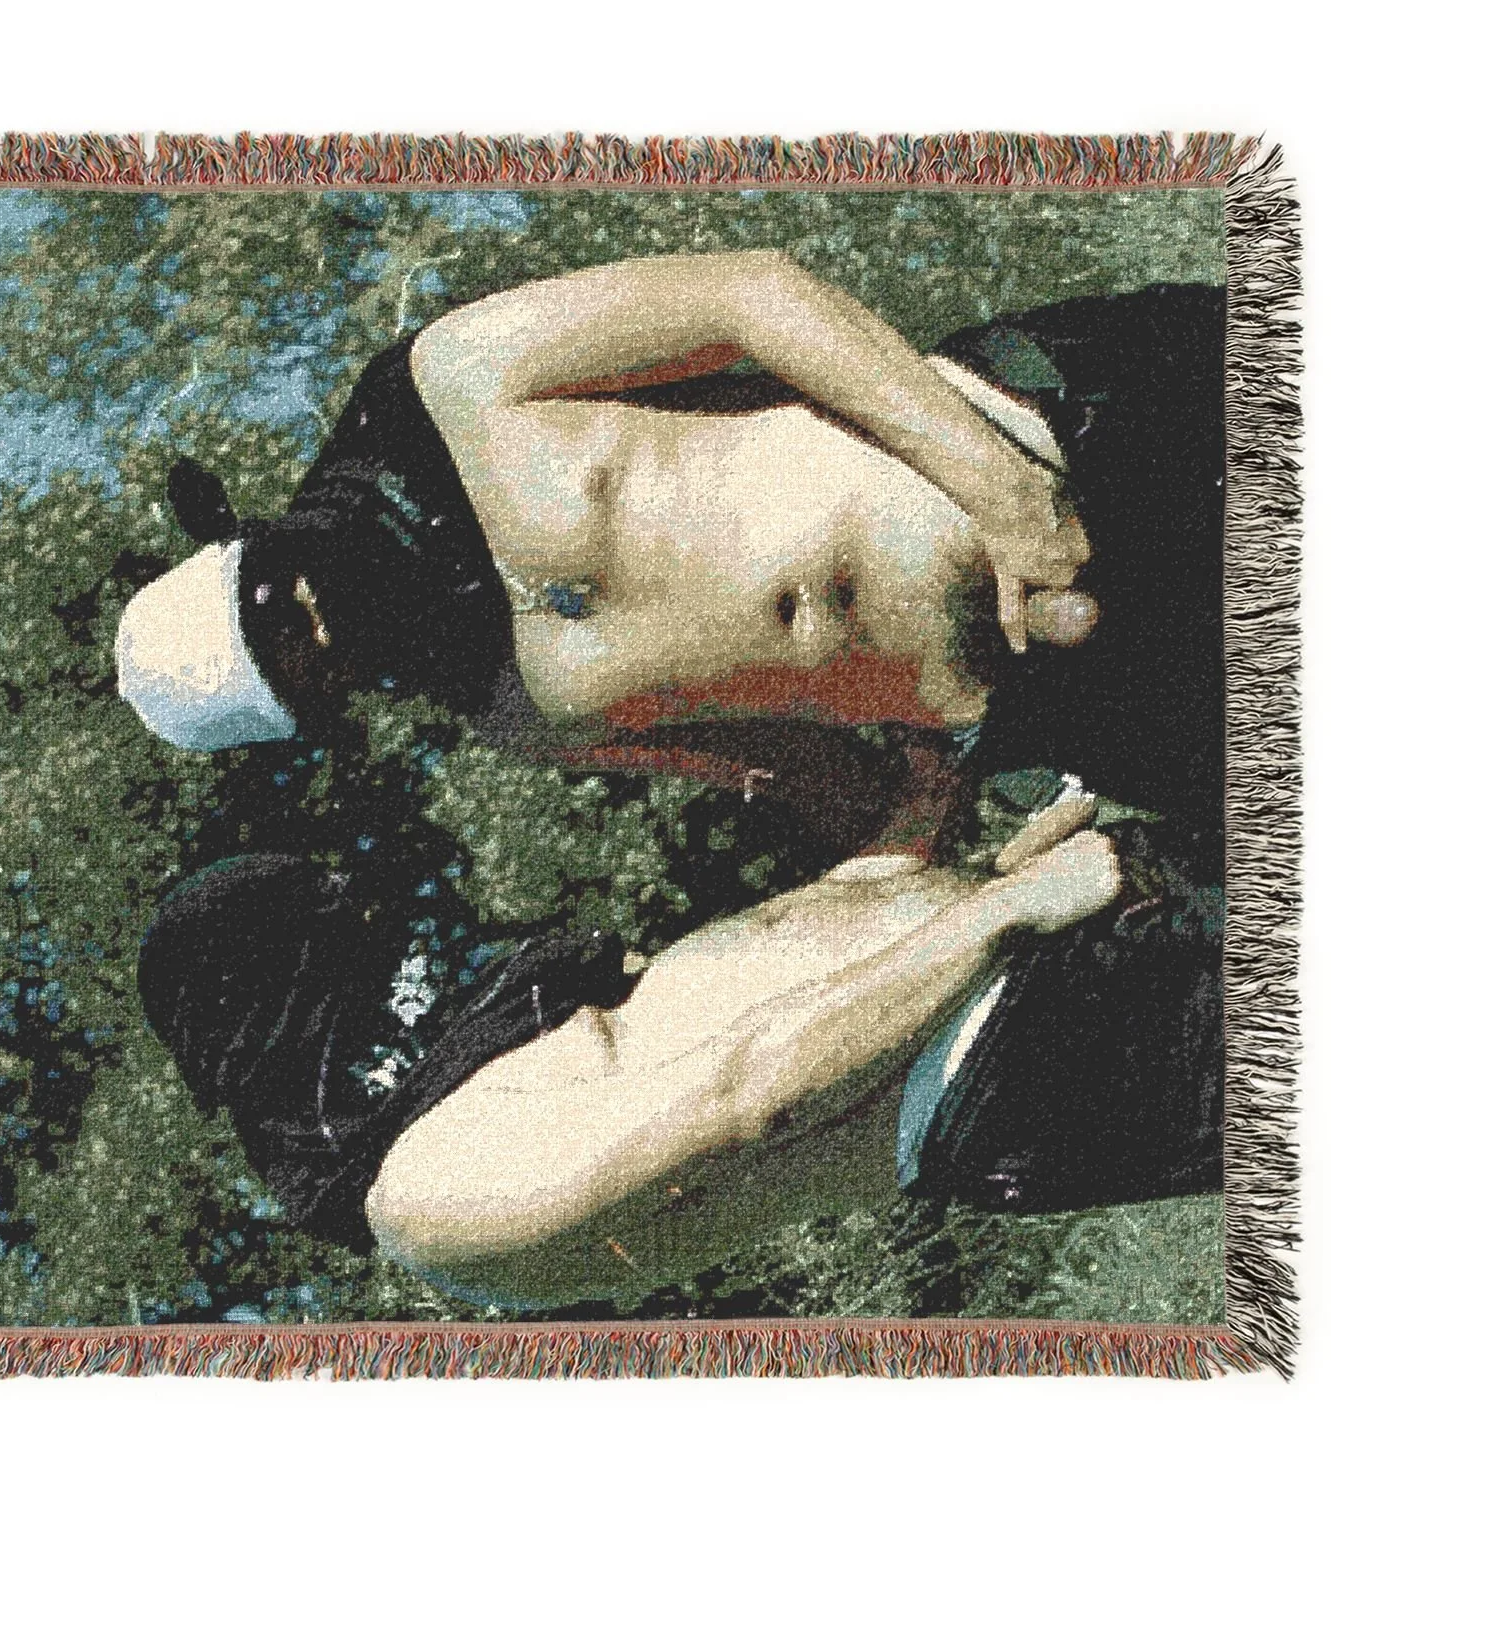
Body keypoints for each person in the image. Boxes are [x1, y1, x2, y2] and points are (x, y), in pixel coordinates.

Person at [121, 254, 1227, 1295]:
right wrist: (959, 871)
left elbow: (750, 298)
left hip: (1070, 439)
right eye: (305, 683)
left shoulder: (454, 385)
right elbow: (808, 773)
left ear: (254, 548)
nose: (318, 635)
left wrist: (1007, 493)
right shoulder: (516, 716)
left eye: (278, 612)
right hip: (1062, 693)